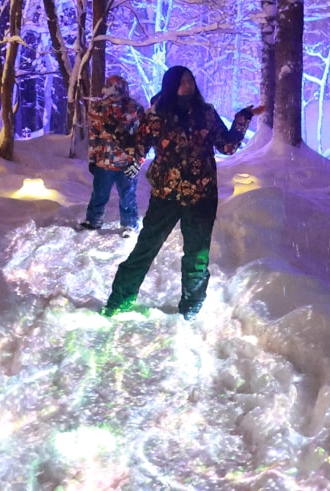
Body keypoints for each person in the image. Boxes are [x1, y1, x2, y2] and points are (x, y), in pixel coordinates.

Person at [102, 65, 262, 320]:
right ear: (171, 85)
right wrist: (115, 126)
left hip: (202, 196)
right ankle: (118, 300)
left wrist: (241, 120)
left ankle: (191, 308)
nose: (188, 84)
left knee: (197, 257)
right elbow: (137, 147)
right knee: (145, 248)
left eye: (190, 80)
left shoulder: (206, 114)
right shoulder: (156, 116)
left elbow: (227, 146)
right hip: (167, 194)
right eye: (182, 81)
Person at [80, 75, 145, 235]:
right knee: (99, 194)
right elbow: (94, 136)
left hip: (126, 162)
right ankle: (93, 220)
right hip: (104, 161)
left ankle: (129, 224)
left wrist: (138, 161)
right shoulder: (98, 108)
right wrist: (92, 159)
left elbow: (143, 138)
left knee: (127, 195)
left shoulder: (135, 109)